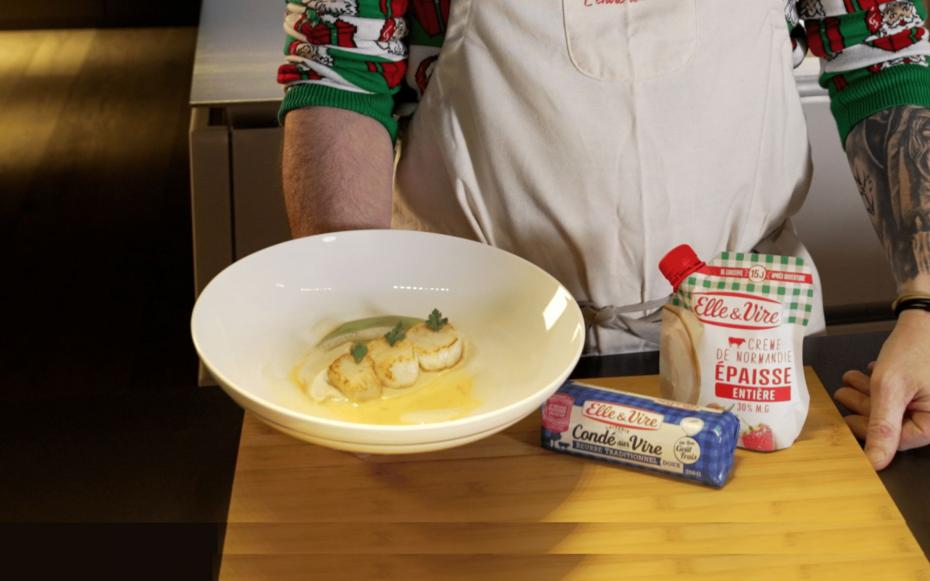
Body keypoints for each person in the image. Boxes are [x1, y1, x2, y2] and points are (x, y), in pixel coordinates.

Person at [276, 0, 930, 469]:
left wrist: (927, 305)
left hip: (749, 344)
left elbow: (884, 53)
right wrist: (353, 328)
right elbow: (340, 70)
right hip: (472, 351)